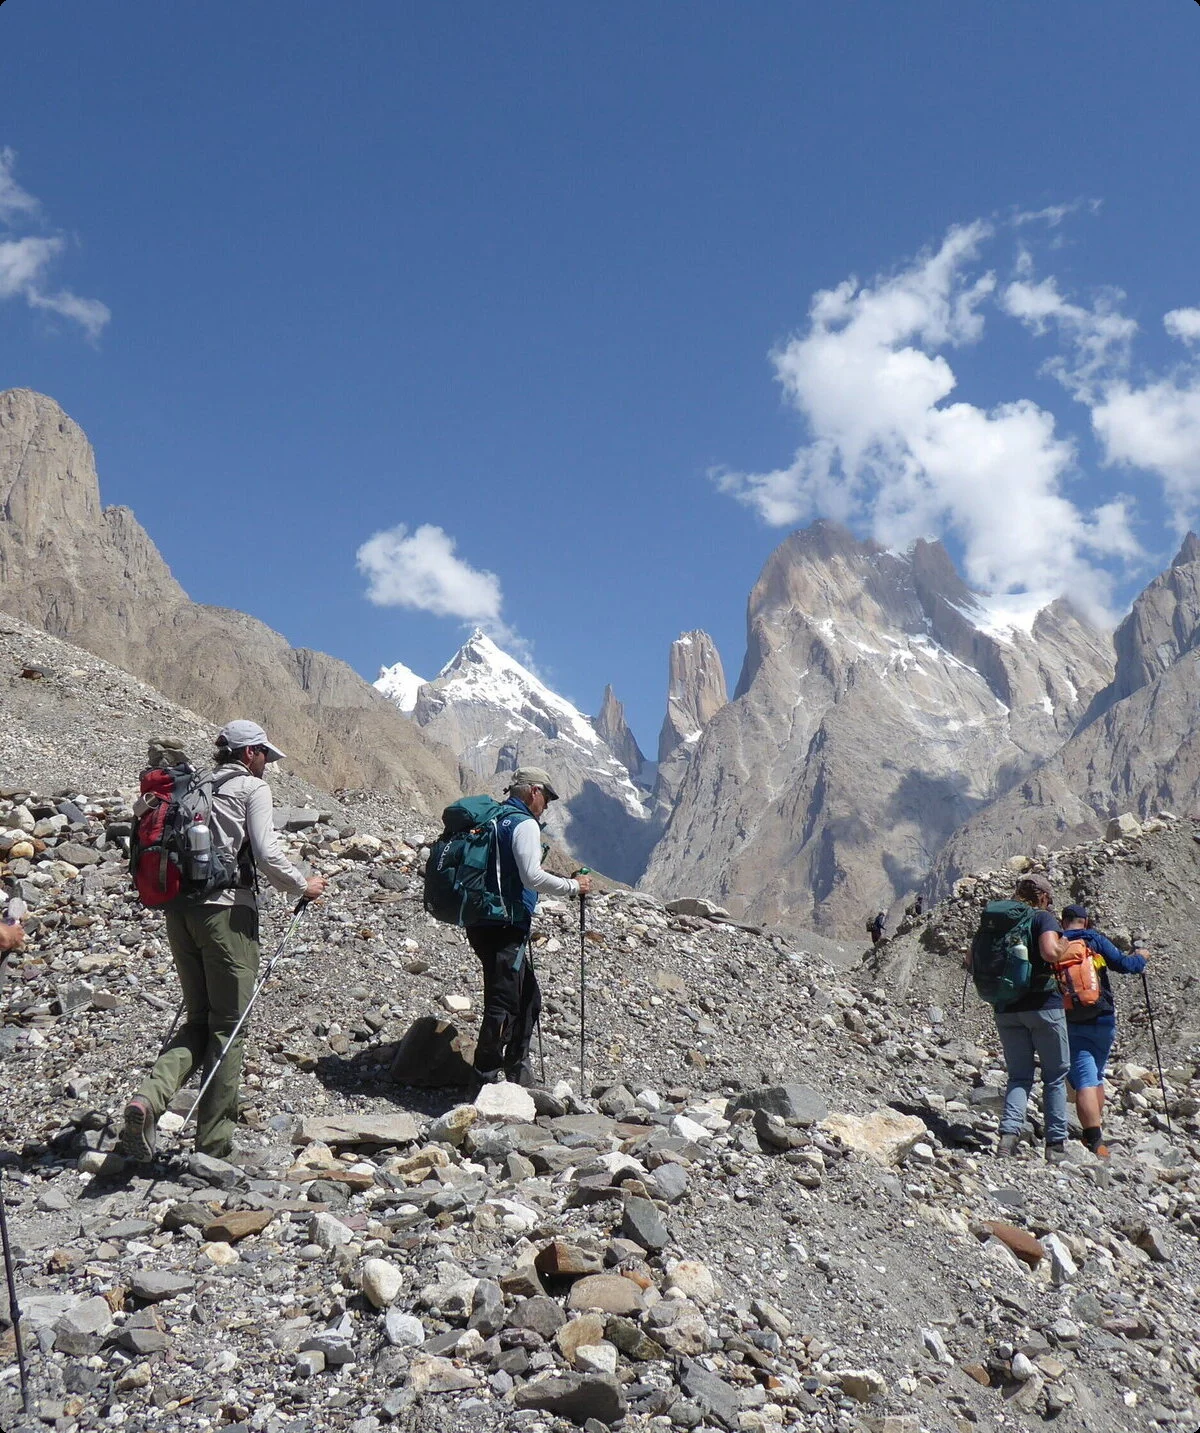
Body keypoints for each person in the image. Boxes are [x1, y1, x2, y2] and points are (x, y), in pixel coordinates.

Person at [119, 721, 324, 1161]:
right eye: (265, 754)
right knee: (228, 1028)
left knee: (198, 1020)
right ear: (249, 752)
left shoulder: (191, 785)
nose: (268, 762)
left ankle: (147, 1101)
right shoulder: (251, 788)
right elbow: (267, 854)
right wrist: (302, 885)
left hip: (180, 912)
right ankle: (214, 1146)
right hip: (227, 913)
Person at [466, 767, 590, 1088]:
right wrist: (573, 886)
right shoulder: (524, 825)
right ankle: (485, 1077)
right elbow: (531, 876)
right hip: (504, 924)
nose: (547, 804)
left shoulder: (497, 818)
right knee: (504, 1001)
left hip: (484, 920)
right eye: (546, 796)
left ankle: (516, 1069)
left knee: (527, 995)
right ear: (533, 791)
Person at [993, 873, 1071, 1163]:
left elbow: (970, 961)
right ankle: (1056, 1147)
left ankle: (1007, 1139)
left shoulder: (999, 919)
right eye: (1049, 900)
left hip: (1006, 1008)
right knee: (1054, 1076)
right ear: (1042, 897)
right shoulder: (1043, 918)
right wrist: (1065, 945)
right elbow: (1050, 952)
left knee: (1019, 1076)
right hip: (1043, 1005)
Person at [1060, 903, 1148, 1158]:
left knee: (1085, 1078)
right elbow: (1124, 964)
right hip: (1103, 1017)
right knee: (1096, 1073)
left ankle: (1094, 1138)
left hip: (1073, 1019)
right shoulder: (1094, 940)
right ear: (1085, 922)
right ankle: (1096, 1133)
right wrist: (1141, 956)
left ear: (1063, 921)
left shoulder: (1056, 943)